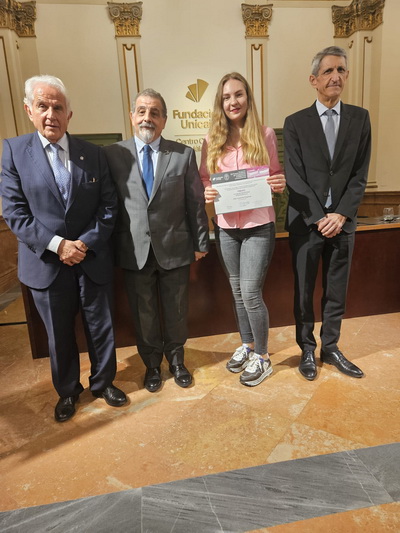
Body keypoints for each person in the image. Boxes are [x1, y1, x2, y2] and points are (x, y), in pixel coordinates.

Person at [0, 75, 127, 422]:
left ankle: (103, 383)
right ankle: (68, 391)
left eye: (58, 107)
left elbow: (109, 206)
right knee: (58, 335)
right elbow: (15, 213)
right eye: (42, 106)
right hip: (46, 263)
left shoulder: (93, 154)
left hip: (91, 258)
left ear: (69, 114)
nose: (51, 114)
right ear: (29, 110)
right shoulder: (14, 152)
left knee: (101, 328)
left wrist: (83, 243)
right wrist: (59, 246)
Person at [104, 88, 209, 393]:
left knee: (176, 310)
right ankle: (151, 365)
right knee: (144, 313)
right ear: (132, 116)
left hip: (175, 248)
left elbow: (195, 202)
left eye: (154, 113)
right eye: (142, 111)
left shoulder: (183, 154)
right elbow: (108, 205)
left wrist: (201, 242)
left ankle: (176, 361)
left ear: (164, 119)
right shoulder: (112, 155)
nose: (147, 118)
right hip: (133, 250)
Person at [283, 46, 371, 381]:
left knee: (337, 290)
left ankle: (330, 347)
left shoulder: (360, 119)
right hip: (307, 222)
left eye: (341, 70)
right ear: (314, 80)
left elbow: (360, 174)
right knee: (304, 291)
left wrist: (342, 214)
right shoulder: (295, 123)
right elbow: (294, 176)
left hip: (343, 224)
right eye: (329, 71)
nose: (336, 76)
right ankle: (306, 348)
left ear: (347, 76)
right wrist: (321, 216)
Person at [200, 72, 286, 387]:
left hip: (258, 226)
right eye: (226, 97)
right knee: (237, 291)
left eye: (238, 94)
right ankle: (248, 345)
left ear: (248, 98)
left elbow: (276, 174)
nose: (233, 101)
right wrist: (207, 189)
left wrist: (278, 182)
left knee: (250, 292)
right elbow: (205, 178)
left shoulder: (265, 135)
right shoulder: (211, 140)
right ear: (220, 103)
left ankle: (263, 356)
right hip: (226, 227)